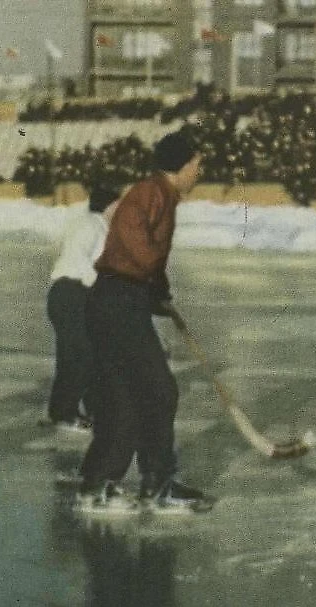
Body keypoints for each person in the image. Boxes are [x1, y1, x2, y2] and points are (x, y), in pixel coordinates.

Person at [75, 131, 209, 515]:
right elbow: (136, 250)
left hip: (121, 301)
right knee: (157, 391)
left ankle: (103, 482)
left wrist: (155, 292)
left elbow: (144, 259)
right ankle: (152, 483)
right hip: (116, 302)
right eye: (197, 164)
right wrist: (154, 283)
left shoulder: (162, 195)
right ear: (181, 166)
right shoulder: (148, 194)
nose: (200, 171)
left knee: (129, 397)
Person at [45, 183, 121, 435]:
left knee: (88, 354)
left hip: (79, 295)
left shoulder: (101, 227)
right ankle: (64, 413)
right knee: (80, 355)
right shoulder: (89, 225)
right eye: (117, 205)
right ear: (108, 205)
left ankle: (88, 409)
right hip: (70, 294)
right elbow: (77, 259)